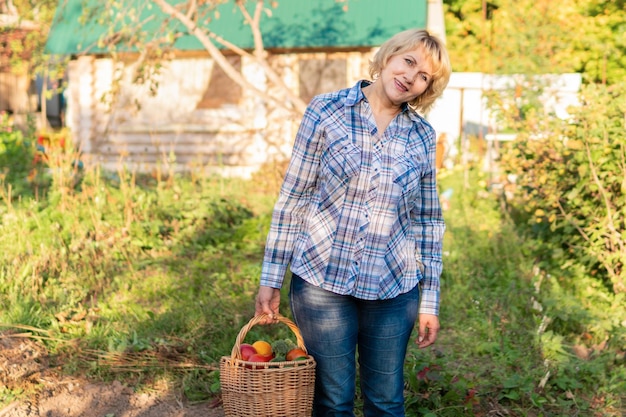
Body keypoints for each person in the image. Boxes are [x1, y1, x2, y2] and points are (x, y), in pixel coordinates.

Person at [255, 28, 451, 417]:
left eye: (424, 75)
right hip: (322, 284)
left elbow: (428, 221)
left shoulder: (423, 137)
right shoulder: (326, 111)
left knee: (386, 402)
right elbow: (294, 198)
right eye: (408, 61)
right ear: (388, 57)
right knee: (333, 400)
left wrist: (429, 301)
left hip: (393, 290)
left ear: (426, 88)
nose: (411, 76)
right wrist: (271, 277)